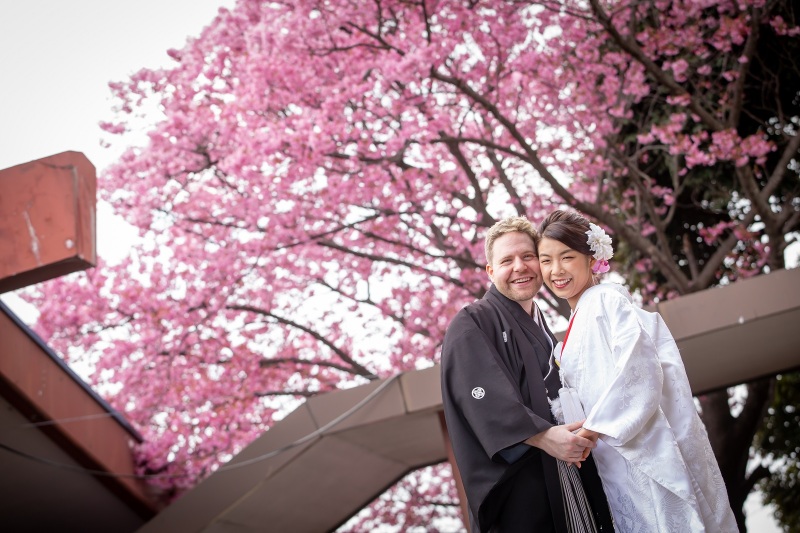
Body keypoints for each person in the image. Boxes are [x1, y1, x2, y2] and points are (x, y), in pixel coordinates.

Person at [536, 209, 739, 532]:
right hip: (613, 454)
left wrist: (594, 428)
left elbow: (639, 366)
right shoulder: (580, 316)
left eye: (567, 257)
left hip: (640, 447)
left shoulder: (606, 300)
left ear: (592, 259)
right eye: (546, 260)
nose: (555, 270)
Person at [441, 216, 614, 533]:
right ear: (490, 271)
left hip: (565, 467)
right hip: (524, 485)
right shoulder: (472, 321)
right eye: (506, 260)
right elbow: (480, 398)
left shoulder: (541, 323)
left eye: (528, 256)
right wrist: (545, 437)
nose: (519, 267)